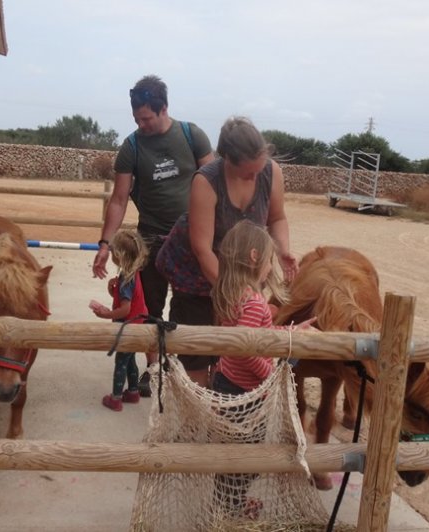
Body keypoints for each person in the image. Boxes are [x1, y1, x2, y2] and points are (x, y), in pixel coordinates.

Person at [92, 74, 214, 396]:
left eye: (146, 118)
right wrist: (105, 243)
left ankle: (193, 369)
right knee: (147, 310)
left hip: (191, 242)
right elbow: (119, 199)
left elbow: (215, 189)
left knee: (192, 308)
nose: (141, 125)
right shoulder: (131, 146)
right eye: (136, 119)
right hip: (149, 241)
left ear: (163, 109)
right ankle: (154, 368)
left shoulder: (192, 136)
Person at [156, 116, 297, 387]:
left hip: (243, 279)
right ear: (228, 161)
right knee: (197, 353)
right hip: (200, 279)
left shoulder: (271, 172)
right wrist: (234, 294)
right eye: (248, 173)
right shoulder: (206, 181)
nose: (255, 177)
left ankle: (221, 408)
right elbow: (202, 249)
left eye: (259, 170)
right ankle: (197, 410)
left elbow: (277, 218)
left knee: (238, 353)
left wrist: (283, 250)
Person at [208, 220, 316, 517]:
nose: (271, 266)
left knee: (235, 451)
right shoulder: (254, 302)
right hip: (247, 393)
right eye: (270, 259)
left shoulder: (232, 294)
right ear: (255, 257)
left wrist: (291, 333)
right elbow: (245, 350)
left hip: (227, 384)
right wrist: (270, 377)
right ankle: (232, 504)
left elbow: (256, 336)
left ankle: (229, 500)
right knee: (249, 456)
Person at [90, 229, 150, 411]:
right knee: (130, 360)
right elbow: (128, 300)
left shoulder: (126, 278)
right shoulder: (134, 273)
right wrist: (112, 291)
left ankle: (115, 398)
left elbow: (125, 309)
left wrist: (105, 314)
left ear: (119, 255)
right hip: (139, 324)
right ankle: (132, 392)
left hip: (128, 327)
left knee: (121, 362)